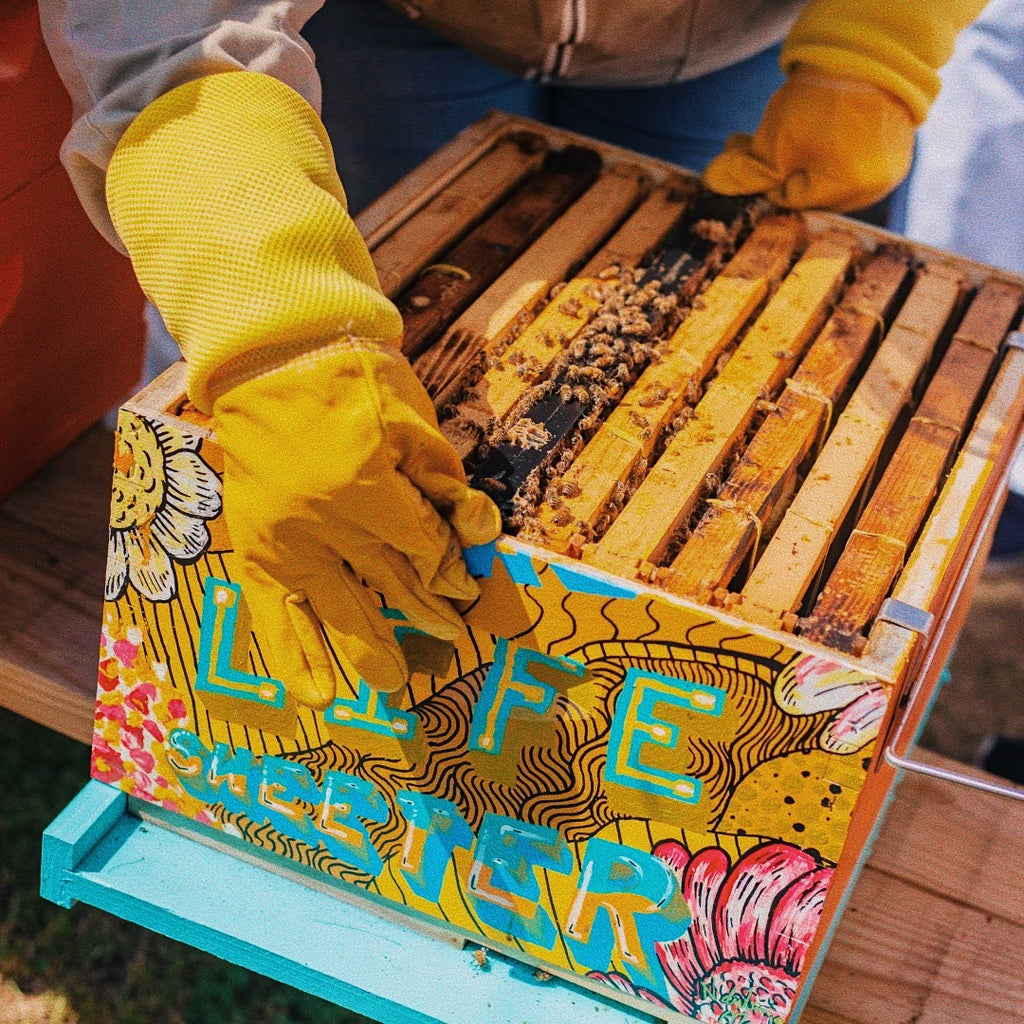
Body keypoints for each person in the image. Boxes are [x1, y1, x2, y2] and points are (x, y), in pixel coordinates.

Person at [38, 0, 987, 707]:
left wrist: (877, 44)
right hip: (406, 24)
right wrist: (270, 329)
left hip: (738, 39)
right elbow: (159, 19)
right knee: (329, 451)